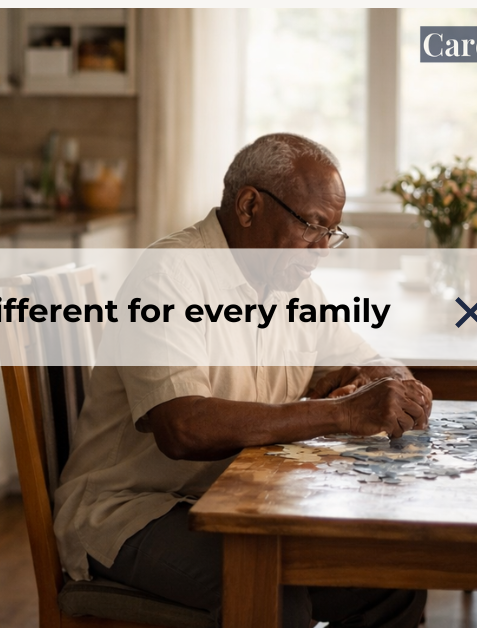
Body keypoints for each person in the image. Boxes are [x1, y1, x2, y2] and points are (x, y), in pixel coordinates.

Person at [52, 133, 433, 627]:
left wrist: (396, 386)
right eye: (313, 226)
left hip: (236, 503)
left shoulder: (293, 287)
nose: (321, 249)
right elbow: (183, 427)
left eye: (332, 234)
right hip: (130, 512)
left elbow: (379, 365)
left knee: (390, 581)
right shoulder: (170, 276)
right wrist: (340, 412)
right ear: (250, 206)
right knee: (271, 591)